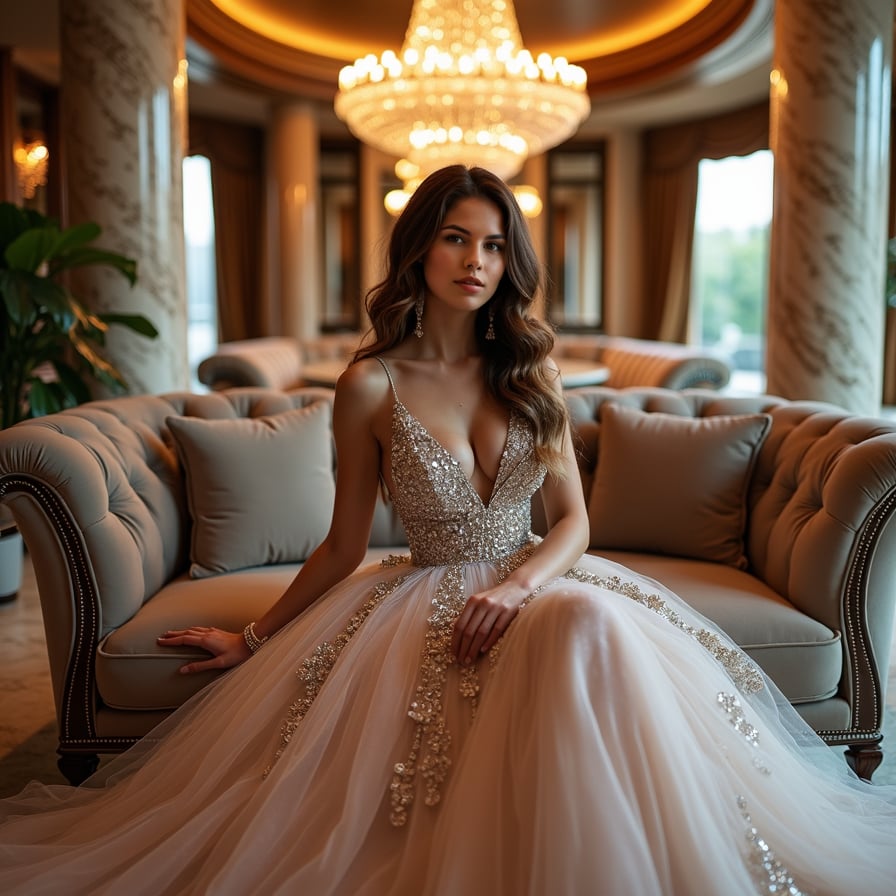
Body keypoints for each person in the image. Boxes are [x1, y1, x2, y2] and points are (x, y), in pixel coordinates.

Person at [1, 164, 895, 895]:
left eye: (496, 244)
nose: (477, 259)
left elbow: (574, 525)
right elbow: (344, 544)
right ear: (420, 246)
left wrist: (517, 585)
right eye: (457, 237)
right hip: (422, 599)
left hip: (537, 583)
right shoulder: (369, 386)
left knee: (591, 623)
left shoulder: (533, 373)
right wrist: (256, 636)